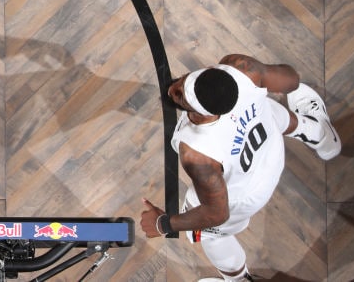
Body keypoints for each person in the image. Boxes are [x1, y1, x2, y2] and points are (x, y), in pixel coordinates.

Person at [140, 53, 340, 282]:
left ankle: (239, 280)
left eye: (180, 95)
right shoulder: (242, 69)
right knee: (269, 109)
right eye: (182, 81)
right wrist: (266, 76)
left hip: (247, 193)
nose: (172, 89)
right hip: (271, 148)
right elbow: (292, 80)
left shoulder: (197, 152)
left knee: (210, 235)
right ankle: (322, 136)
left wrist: (162, 224)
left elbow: (216, 213)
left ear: (200, 112)